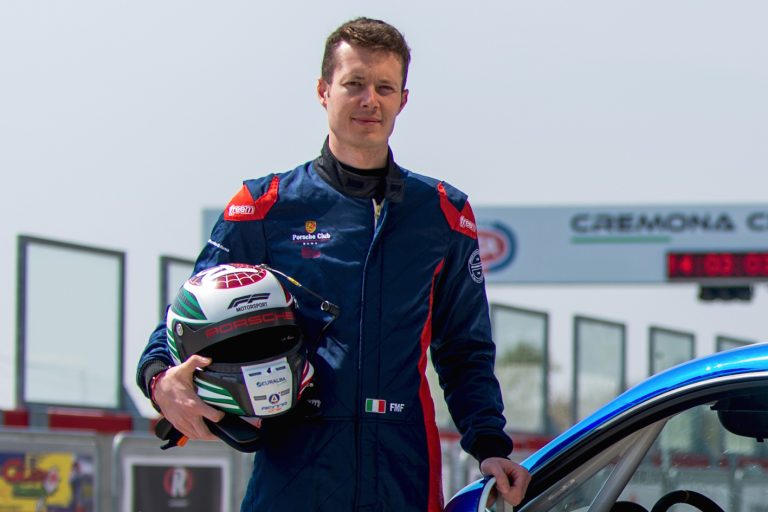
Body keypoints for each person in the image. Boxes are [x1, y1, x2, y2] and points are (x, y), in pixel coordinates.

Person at [136, 17, 531, 511]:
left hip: (403, 468)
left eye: (384, 88)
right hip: (294, 468)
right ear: (323, 91)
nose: (370, 100)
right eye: (354, 84)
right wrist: (159, 379)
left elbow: (464, 349)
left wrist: (490, 446)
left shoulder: (444, 213)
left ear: (403, 100)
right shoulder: (264, 206)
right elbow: (185, 317)